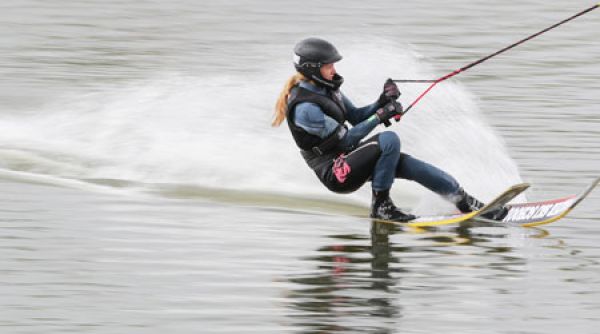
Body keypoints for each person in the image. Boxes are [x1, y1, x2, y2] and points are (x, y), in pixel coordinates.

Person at [272, 37, 505, 222]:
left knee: (414, 167)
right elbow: (345, 141)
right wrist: (381, 116)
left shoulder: (327, 90)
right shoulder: (305, 108)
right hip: (335, 172)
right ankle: (381, 206)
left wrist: (382, 101)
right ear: (313, 68)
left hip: (352, 157)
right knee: (389, 139)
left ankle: (466, 203)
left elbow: (355, 117)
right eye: (329, 65)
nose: (333, 69)